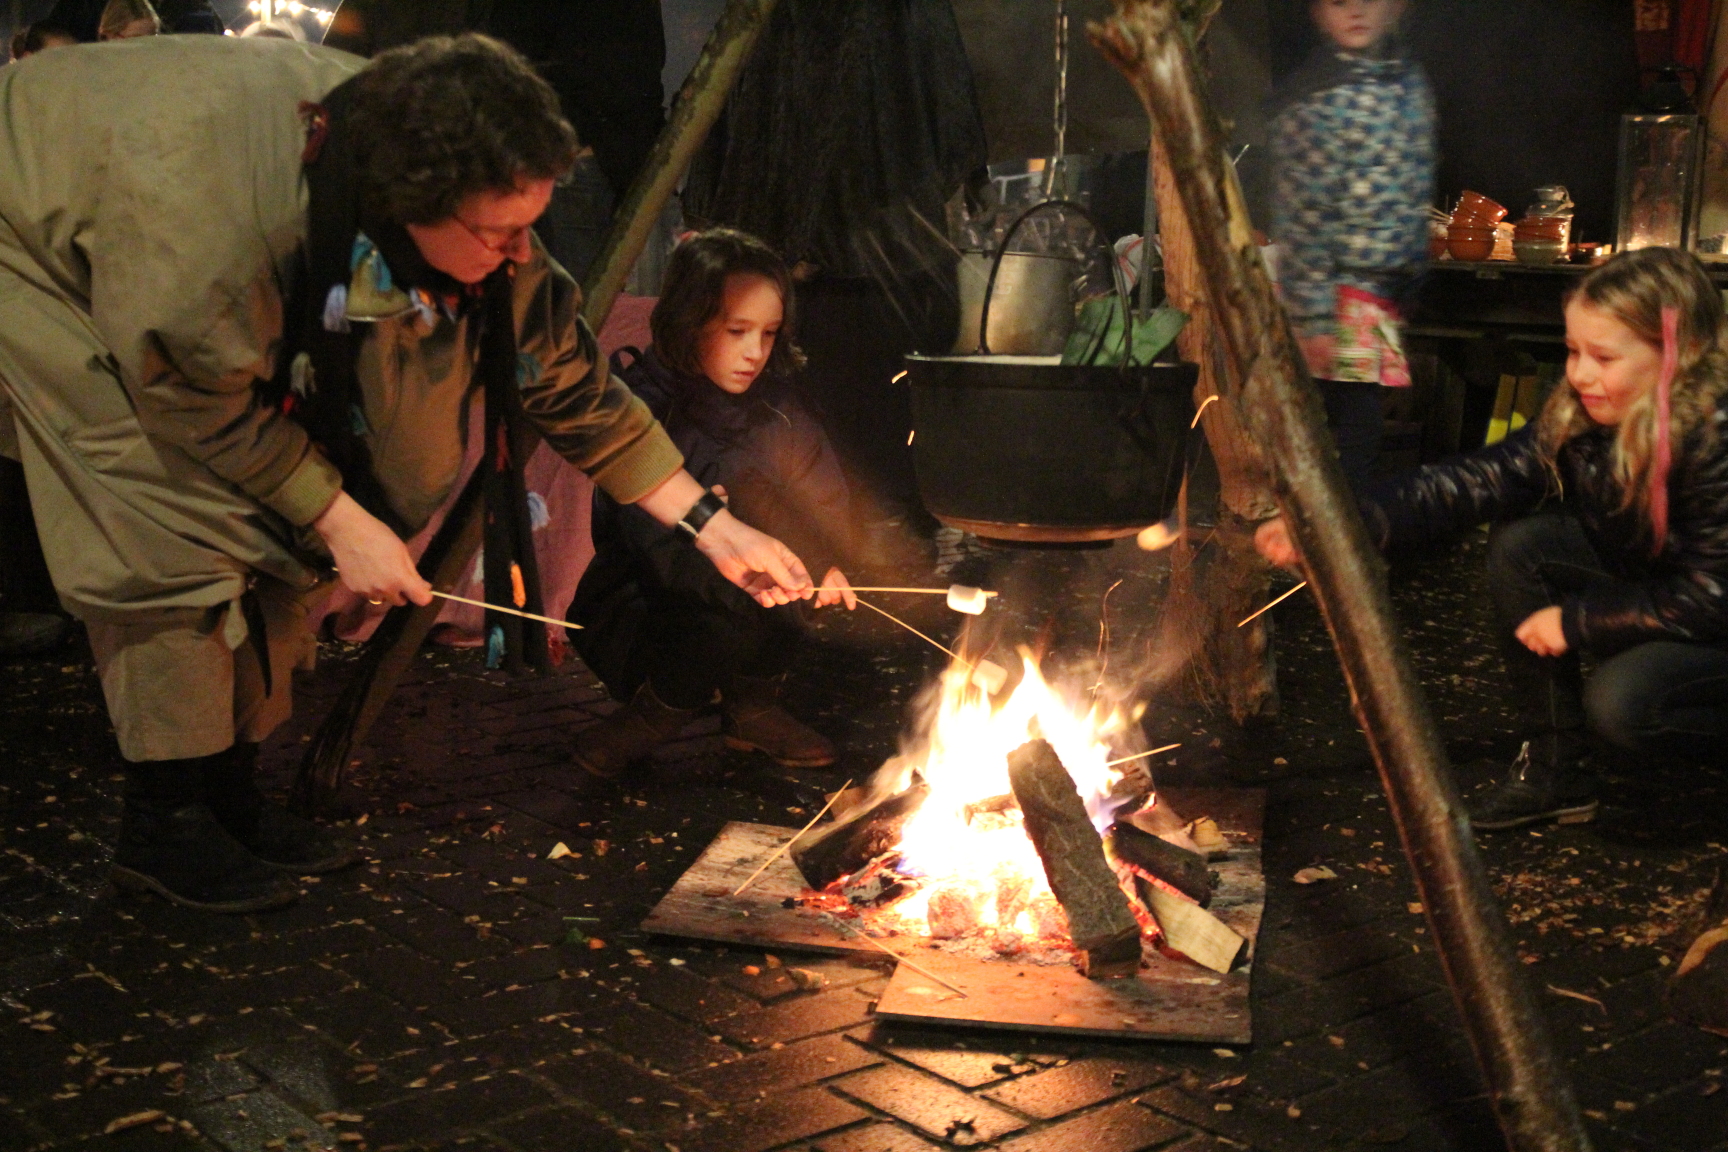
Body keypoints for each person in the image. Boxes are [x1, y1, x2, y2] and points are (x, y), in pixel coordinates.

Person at [0, 34, 813, 913]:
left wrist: (711, 526)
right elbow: (191, 395)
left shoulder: (467, 188)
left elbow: (566, 377)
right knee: (174, 516)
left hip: (213, 233)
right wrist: (336, 517)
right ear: (407, 208)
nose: (520, 253)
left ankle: (228, 792)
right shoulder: (213, 243)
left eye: (529, 226)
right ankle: (166, 824)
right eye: (499, 235)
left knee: (297, 507)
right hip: (40, 231)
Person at [1256, 247, 1728, 830]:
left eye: (1604, 357)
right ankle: (1557, 771)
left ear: (1678, 355)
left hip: (1712, 619)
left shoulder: (1713, 435)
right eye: (1573, 351)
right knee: (1523, 546)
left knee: (1621, 703)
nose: (1580, 374)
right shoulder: (1582, 416)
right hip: (1662, 589)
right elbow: (1478, 480)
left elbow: (1712, 595)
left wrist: (1577, 622)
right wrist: (1338, 525)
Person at [569, 229, 858, 779]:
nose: (755, 353)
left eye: (769, 334)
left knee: (791, 593)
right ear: (690, 321)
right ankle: (653, 712)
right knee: (720, 623)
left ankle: (753, 708)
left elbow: (822, 496)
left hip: (756, 590)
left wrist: (824, 562)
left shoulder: (778, 406)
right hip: (647, 599)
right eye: (737, 331)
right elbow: (645, 538)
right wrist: (736, 577)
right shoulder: (644, 409)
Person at [1268, 0, 1435, 489]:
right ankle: (1326, 526)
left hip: (1379, 292)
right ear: (1319, 12)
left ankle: (1343, 521)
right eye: (1339, 1)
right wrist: (1314, 319)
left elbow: (1415, 186)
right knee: (1340, 430)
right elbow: (1304, 216)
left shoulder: (1407, 84)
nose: (1355, 11)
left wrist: (1408, 280)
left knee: (1360, 429)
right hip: (1336, 295)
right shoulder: (1316, 97)